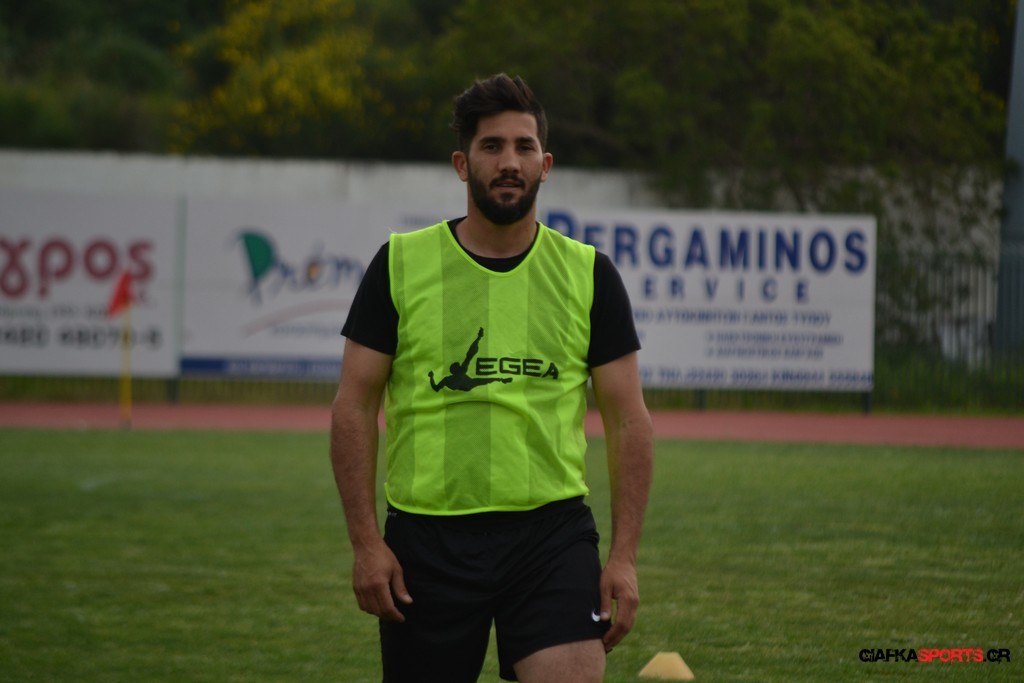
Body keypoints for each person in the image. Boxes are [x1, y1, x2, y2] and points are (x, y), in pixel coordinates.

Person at [330, 73, 653, 683]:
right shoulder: (400, 263)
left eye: (524, 147)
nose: (510, 162)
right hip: (427, 542)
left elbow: (628, 419)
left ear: (545, 165)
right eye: (492, 146)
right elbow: (353, 406)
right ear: (462, 164)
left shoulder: (590, 274)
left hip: (551, 538)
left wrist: (625, 558)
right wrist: (367, 545)